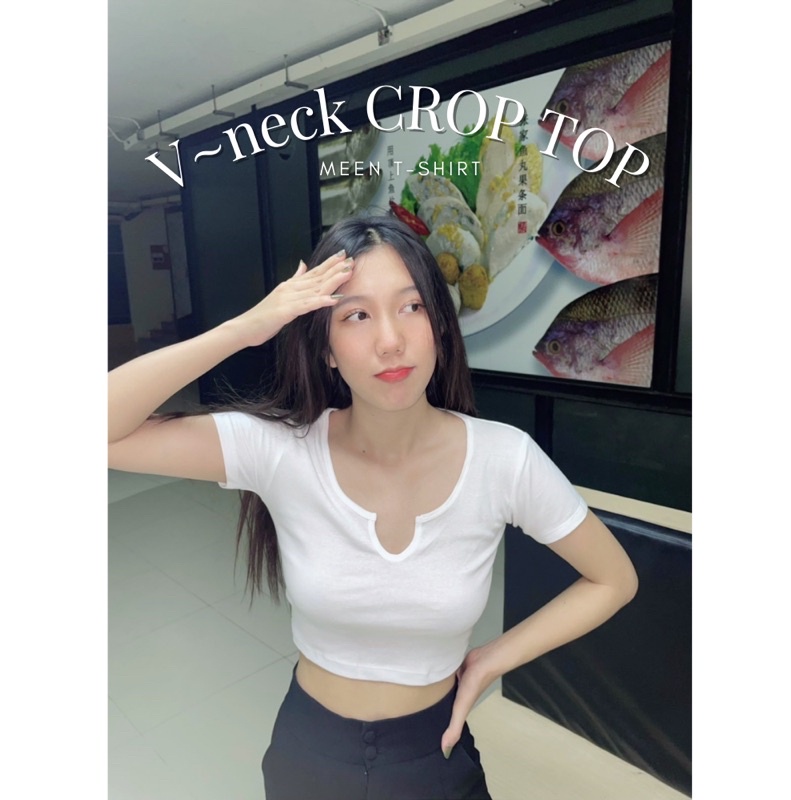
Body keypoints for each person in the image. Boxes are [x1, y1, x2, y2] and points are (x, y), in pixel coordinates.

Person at [108, 214, 638, 800]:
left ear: (440, 327)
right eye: (356, 315)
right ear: (327, 350)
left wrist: (491, 660)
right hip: (310, 756)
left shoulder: (504, 459)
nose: (390, 340)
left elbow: (613, 578)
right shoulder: (281, 450)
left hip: (435, 754)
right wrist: (244, 329)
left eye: (411, 307)